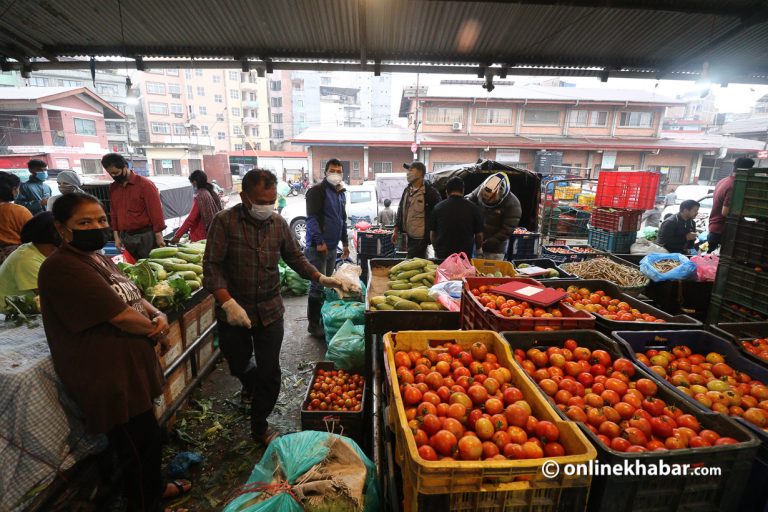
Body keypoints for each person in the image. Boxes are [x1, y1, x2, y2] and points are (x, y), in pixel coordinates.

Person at [39, 192, 190, 512]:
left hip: (129, 370)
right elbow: (119, 315)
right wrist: (156, 328)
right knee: (136, 448)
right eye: (84, 222)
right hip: (107, 377)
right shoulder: (61, 267)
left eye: (100, 220)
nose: (96, 227)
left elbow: (132, 295)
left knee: (147, 440)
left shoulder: (98, 257)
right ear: (62, 228)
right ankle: (145, 503)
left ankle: (153, 489)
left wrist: (156, 314)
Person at [203, 169, 344, 444]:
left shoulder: (278, 224)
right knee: (238, 362)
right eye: (261, 201)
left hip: (269, 310)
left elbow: (295, 257)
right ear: (244, 197)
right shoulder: (224, 222)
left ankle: (259, 426)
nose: (266, 206)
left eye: (271, 200)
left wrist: (320, 276)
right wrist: (227, 302)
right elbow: (211, 266)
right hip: (234, 310)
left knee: (270, 372)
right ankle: (251, 384)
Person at [304, 159, 350, 338]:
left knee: (326, 284)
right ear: (325, 172)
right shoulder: (317, 191)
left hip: (332, 248)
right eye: (332, 170)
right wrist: (319, 241)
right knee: (317, 286)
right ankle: (313, 325)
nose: (336, 173)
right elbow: (311, 218)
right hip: (318, 248)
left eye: (339, 171)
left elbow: (342, 221)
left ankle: (321, 319)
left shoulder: (340, 193)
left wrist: (345, 244)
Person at [103, 153, 166, 260]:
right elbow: (114, 213)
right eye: (111, 174)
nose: (114, 176)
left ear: (125, 167)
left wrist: (159, 237)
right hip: (126, 237)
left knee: (151, 267)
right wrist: (116, 237)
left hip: (146, 236)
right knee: (133, 267)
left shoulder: (145, 185)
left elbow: (156, 213)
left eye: (116, 173)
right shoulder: (113, 188)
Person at [0, 212, 59, 311]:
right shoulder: (27, 259)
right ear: (57, 235)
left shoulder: (41, 251)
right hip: (9, 315)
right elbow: (52, 299)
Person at [466, 172, 522, 260]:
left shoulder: (513, 204)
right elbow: (468, 200)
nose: (486, 201)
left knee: (491, 272)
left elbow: (507, 230)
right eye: (483, 198)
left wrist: (487, 243)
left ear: (500, 196)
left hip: (495, 250)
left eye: (489, 200)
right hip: (477, 243)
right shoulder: (483, 188)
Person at [393, 162, 441, 258]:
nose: (408, 173)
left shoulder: (430, 192)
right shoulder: (407, 190)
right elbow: (400, 209)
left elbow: (438, 214)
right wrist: (396, 229)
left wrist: (433, 235)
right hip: (409, 235)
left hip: (420, 238)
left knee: (412, 261)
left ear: (420, 173)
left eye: (411, 170)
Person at [708, 157, 755, 253]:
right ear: (747, 170)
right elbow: (725, 212)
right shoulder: (734, 185)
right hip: (722, 231)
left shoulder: (724, 180)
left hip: (715, 228)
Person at [429, 177, 484, 259]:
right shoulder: (473, 208)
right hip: (464, 256)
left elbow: (433, 234)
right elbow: (479, 235)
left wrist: (436, 249)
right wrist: (478, 249)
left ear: (447, 192)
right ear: (463, 190)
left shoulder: (438, 208)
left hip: (443, 256)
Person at [170, 170, 222, 243]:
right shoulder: (209, 192)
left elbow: (191, 219)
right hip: (209, 235)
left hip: (200, 237)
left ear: (194, 182)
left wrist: (177, 235)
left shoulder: (200, 196)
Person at [0, 172, 33, 264]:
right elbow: (34, 235)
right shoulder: (19, 211)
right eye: (18, 188)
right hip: (15, 260)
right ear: (13, 189)